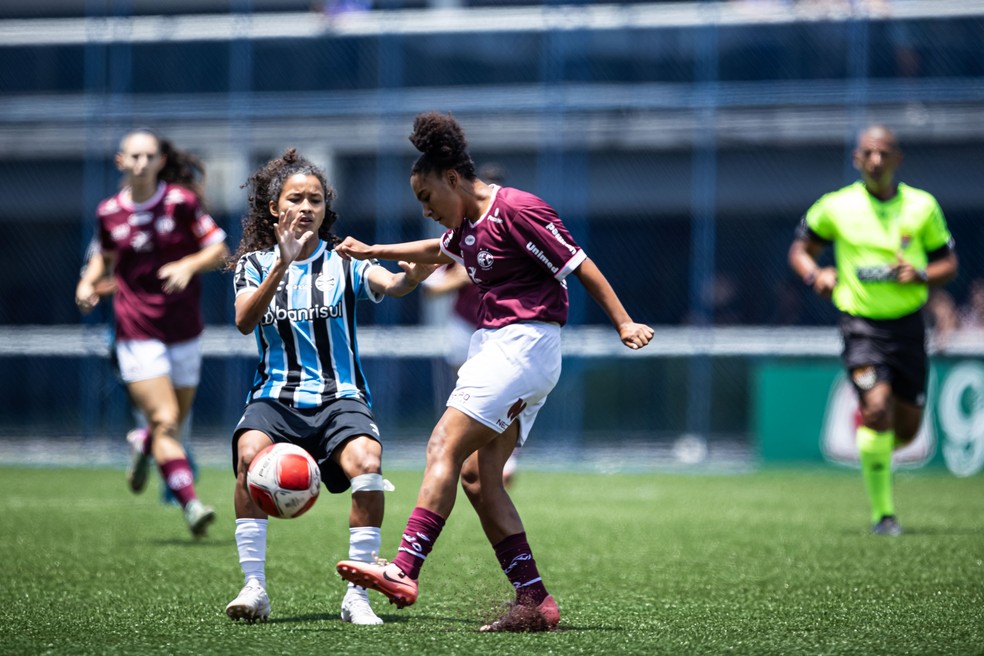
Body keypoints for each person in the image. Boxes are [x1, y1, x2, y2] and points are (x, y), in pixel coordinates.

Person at [333, 111, 654, 632]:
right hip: (502, 348)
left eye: (427, 197)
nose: (427, 210)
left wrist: (623, 321)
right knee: (479, 478)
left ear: (452, 178)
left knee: (443, 444)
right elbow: (435, 251)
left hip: (522, 345)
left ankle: (404, 568)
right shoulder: (464, 228)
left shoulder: (517, 209)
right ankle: (535, 600)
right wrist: (373, 250)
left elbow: (580, 264)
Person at [223, 148, 437, 625]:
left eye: (315, 200)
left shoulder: (344, 262)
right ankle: (254, 587)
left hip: (340, 397)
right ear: (275, 208)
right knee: (249, 453)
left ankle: (357, 595)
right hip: (275, 397)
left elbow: (395, 285)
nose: (306, 208)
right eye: (295, 199)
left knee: (368, 464)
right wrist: (282, 264)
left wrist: (415, 273)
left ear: (325, 209)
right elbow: (244, 320)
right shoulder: (254, 265)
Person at [788, 124, 958, 536]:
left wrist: (920, 273)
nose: (876, 160)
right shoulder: (835, 206)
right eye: (868, 153)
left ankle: (876, 452)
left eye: (884, 153)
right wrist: (815, 275)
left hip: (908, 327)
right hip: (861, 327)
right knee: (877, 408)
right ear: (857, 159)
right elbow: (801, 250)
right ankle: (884, 515)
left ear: (897, 158)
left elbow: (949, 265)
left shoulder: (922, 206)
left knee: (907, 429)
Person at [75, 128, 228, 538]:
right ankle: (192, 504)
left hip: (184, 330)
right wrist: (87, 283)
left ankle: (143, 443)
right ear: (120, 161)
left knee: (169, 427)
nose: (141, 163)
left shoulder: (181, 203)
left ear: (161, 161)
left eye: (149, 156)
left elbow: (218, 250)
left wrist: (187, 266)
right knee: (165, 419)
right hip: (136, 331)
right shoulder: (109, 212)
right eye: (134, 156)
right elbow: (103, 257)